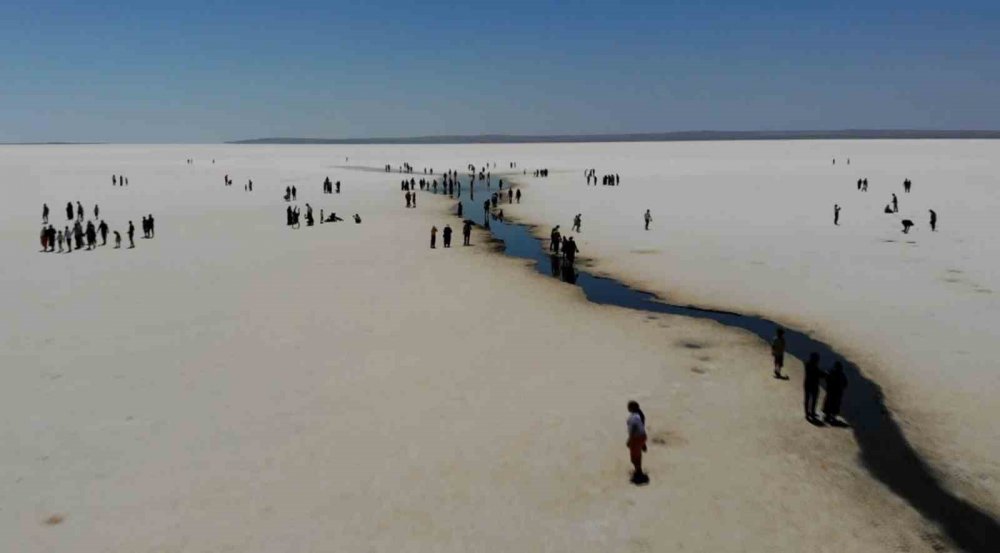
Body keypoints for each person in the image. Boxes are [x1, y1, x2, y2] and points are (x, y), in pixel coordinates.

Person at [626, 401, 648, 484]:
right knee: (637, 455)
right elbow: (642, 426)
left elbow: (633, 430)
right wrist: (643, 443)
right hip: (642, 436)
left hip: (636, 438)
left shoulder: (633, 418)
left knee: (634, 457)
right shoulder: (640, 415)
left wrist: (630, 440)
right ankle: (638, 470)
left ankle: (638, 472)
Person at [804, 352, 821, 421]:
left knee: (808, 399)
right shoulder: (813, 366)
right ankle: (811, 412)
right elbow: (817, 373)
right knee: (813, 399)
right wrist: (825, 374)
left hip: (807, 384)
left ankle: (808, 413)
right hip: (813, 385)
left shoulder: (808, 364)